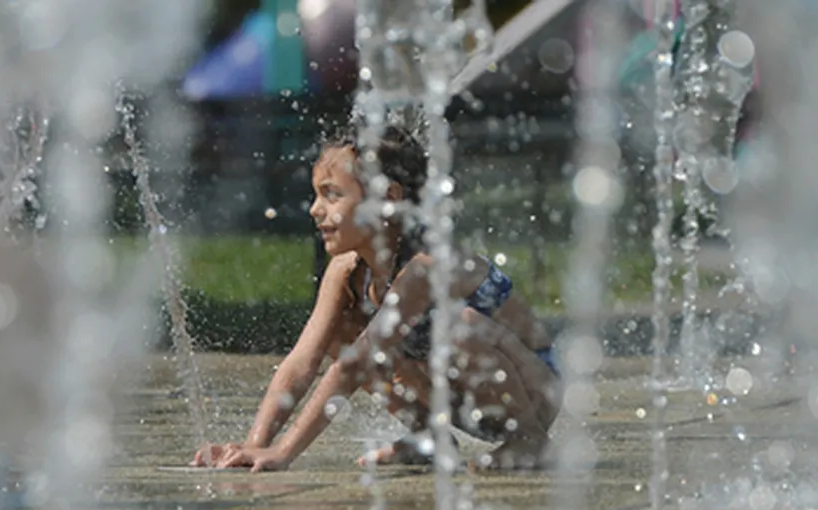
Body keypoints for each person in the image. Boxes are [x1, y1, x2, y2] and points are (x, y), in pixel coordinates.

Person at [192, 124, 560, 471]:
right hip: (466, 399)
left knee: (457, 326)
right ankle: (429, 437)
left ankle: (529, 439)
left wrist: (284, 452)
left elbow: (354, 367)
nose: (315, 209)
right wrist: (256, 444)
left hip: (534, 394)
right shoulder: (347, 271)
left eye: (332, 194)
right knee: (343, 332)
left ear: (388, 198)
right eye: (316, 194)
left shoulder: (424, 266)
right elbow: (301, 361)